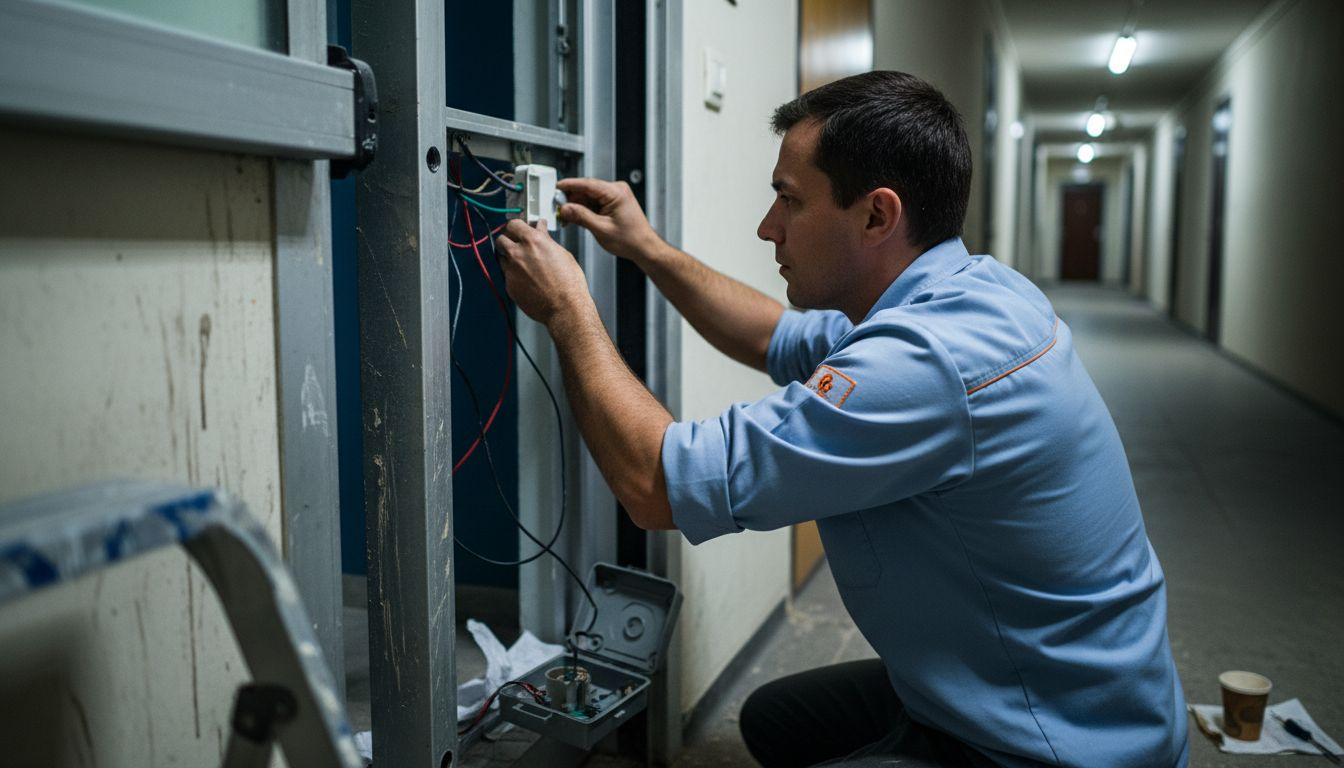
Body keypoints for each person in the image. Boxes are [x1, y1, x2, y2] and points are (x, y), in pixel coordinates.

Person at [492, 70, 1189, 768]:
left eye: (790, 200)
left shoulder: (926, 365)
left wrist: (567, 309)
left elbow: (657, 485)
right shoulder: (971, 293)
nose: (768, 227)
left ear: (877, 216)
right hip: (1064, 684)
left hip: (1057, 742)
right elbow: (772, 336)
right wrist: (646, 247)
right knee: (777, 720)